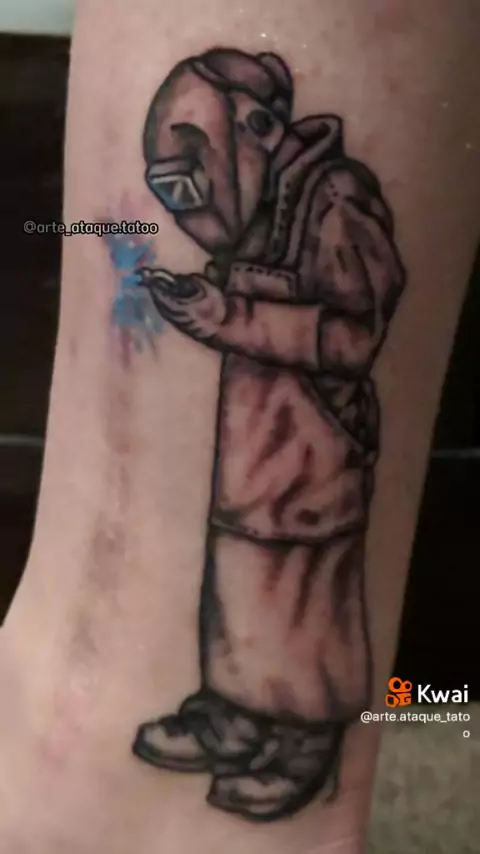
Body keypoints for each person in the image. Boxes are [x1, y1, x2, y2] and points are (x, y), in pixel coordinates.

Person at [0, 1, 478, 851]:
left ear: (254, 131)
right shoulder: (261, 209)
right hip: (252, 455)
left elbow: (354, 332)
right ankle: (234, 711)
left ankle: (298, 744)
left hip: (316, 457)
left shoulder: (334, 205)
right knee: (240, 583)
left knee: (303, 599)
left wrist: (226, 315)